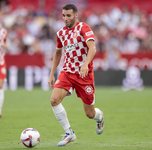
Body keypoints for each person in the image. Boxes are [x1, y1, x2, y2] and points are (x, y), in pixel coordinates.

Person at [48, 4, 104, 146]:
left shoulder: (83, 28)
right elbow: (58, 53)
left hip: (84, 75)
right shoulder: (60, 33)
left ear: (76, 15)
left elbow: (92, 48)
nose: (65, 19)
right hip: (67, 72)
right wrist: (51, 73)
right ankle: (69, 133)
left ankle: (100, 117)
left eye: (68, 16)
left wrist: (85, 64)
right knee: (54, 100)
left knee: (89, 114)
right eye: (64, 16)